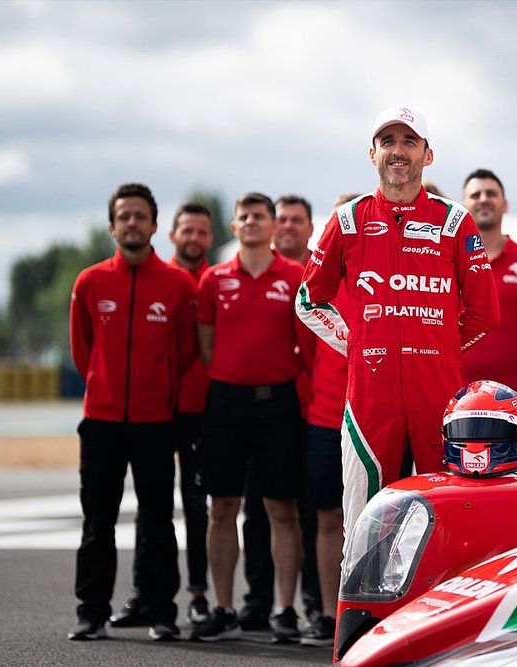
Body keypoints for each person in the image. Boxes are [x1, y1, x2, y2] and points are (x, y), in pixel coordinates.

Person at [295, 106, 499, 539]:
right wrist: (355, 342)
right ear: (372, 154)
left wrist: (437, 346)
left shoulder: (454, 220)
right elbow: (309, 299)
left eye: (409, 141)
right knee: (365, 526)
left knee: (449, 523)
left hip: (439, 395)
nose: (398, 151)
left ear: (428, 154)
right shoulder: (347, 220)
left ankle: (443, 608)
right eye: (387, 141)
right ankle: (361, 610)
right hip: (370, 396)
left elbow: (486, 313)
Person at [67, 183, 197, 642]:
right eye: (124, 216)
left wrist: (155, 391)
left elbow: (185, 353)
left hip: (155, 422)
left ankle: (163, 612)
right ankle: (91, 612)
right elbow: (83, 352)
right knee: (96, 520)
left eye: (140, 216)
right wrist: (103, 386)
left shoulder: (178, 284)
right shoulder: (90, 282)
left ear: (155, 225)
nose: (132, 223)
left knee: (159, 521)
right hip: (100, 421)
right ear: (112, 225)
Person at [192, 192, 306, 643]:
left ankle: (284, 610)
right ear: (234, 227)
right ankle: (223, 607)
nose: (253, 221)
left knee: (281, 509)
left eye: (261, 216)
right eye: (245, 217)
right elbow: (205, 346)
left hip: (277, 404)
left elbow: (306, 344)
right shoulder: (213, 280)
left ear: (275, 226)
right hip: (225, 404)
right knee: (222, 508)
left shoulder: (296, 277)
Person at [110, 202, 215, 630]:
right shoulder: (158, 278)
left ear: (210, 237)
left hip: (200, 413)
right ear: (171, 234)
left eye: (201, 232)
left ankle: (198, 595)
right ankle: (144, 593)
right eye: (186, 230)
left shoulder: (215, 280)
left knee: (196, 507)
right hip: (154, 411)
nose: (193, 238)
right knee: (149, 508)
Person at [231, 194, 321, 632]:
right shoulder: (244, 274)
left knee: (306, 510)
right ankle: (258, 599)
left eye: (295, 220)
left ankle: (312, 602)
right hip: (266, 412)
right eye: (280, 219)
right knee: (256, 507)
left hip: (310, 411)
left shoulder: (319, 275)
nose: (286, 226)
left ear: (309, 228)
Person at [459, 169, 517, 470]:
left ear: (505, 204)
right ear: (464, 206)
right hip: (458, 404)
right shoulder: (448, 260)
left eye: (491, 194)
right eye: (476, 195)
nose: (483, 199)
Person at [296, 192, 359, 648]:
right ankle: (323, 611)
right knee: (325, 517)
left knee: (377, 517)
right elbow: (301, 350)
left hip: (372, 418)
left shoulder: (387, 275)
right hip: (324, 416)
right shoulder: (318, 280)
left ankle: (369, 606)